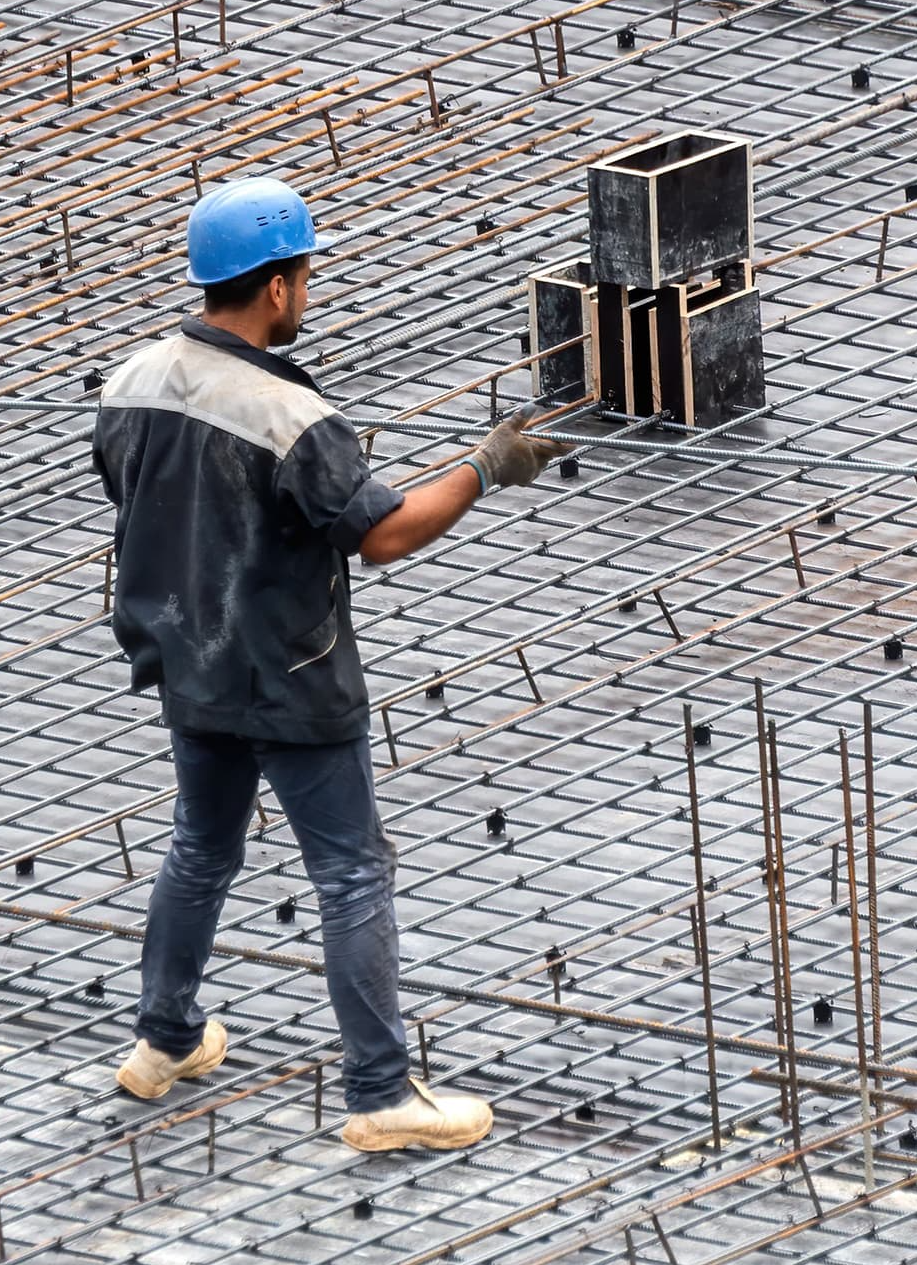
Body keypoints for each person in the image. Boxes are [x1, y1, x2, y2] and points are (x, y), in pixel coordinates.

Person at [92, 175, 569, 1151]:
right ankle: (379, 1091)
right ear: (274, 288)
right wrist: (485, 466)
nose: (306, 292)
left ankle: (163, 1038)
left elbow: (129, 489)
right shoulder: (287, 414)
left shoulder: (131, 377)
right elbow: (384, 534)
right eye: (303, 276)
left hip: (189, 657)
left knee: (200, 845)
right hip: (291, 675)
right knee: (351, 870)